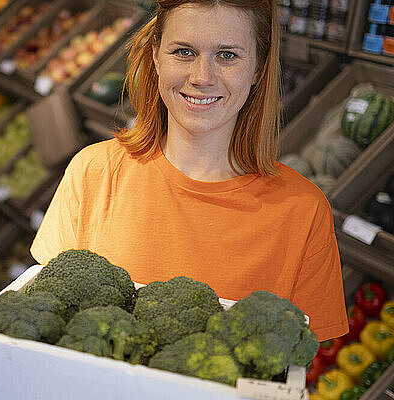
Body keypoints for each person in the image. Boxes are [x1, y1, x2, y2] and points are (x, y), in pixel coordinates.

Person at [30, 0, 348, 341]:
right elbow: (48, 318)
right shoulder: (93, 172)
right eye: (184, 52)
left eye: (227, 55)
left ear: (258, 66)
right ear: (156, 55)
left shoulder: (304, 211)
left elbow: (296, 369)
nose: (202, 78)